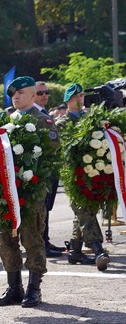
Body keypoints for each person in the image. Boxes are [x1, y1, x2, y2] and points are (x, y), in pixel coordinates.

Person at [0, 76, 60, 308]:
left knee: (32, 239)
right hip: (5, 193)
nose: (16, 96)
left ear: (33, 95)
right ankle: (14, 288)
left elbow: (50, 156)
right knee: (6, 239)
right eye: (13, 93)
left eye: (21, 92)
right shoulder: (4, 119)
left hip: (30, 192)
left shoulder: (43, 121)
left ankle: (34, 289)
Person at [56, 83, 109, 271]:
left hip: (93, 172)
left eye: (81, 96)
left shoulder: (90, 119)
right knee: (84, 210)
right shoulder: (62, 123)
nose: (80, 99)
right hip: (74, 175)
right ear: (67, 100)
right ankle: (97, 250)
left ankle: (76, 251)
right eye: (76, 96)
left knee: (85, 211)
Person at [35, 81, 63, 257]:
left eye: (47, 92)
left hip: (51, 168)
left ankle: (45, 240)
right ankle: (41, 244)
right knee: (41, 208)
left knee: (47, 208)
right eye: (40, 93)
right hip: (41, 170)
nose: (44, 95)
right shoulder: (33, 114)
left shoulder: (44, 113)